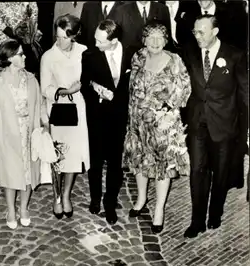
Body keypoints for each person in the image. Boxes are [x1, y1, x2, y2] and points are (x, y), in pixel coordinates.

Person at [181, 14, 247, 238]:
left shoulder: (235, 55)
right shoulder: (190, 51)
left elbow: (245, 93)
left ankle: (215, 213)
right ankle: (196, 220)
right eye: (195, 31)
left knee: (220, 173)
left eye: (202, 31)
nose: (197, 36)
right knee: (197, 170)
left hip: (225, 123)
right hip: (198, 121)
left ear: (215, 32)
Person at [123, 22, 191, 233]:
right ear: (144, 40)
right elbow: (131, 86)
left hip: (162, 126)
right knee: (139, 160)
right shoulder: (138, 57)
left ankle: (159, 209)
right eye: (150, 37)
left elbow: (184, 91)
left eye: (159, 38)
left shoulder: (174, 61)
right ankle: (141, 199)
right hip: (137, 123)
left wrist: (164, 110)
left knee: (162, 166)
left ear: (166, 40)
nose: (154, 42)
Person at [0, 40, 48, 229]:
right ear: (10, 58)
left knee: (29, 172)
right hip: (7, 134)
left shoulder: (31, 79)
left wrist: (46, 125)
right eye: (21, 54)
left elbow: (40, 105)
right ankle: (11, 210)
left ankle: (23, 208)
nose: (25, 56)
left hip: (29, 132)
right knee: (10, 173)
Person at [81, 19, 135, 224]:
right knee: (95, 162)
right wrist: (96, 90)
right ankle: (95, 198)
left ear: (114, 41)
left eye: (100, 41)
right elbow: (85, 83)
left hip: (121, 117)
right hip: (97, 116)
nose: (95, 44)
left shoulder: (132, 54)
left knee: (115, 163)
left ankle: (109, 203)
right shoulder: (89, 55)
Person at [40, 14, 90, 220]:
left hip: (79, 108)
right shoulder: (48, 57)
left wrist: (82, 87)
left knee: (73, 156)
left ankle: (67, 195)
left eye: (64, 37)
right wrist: (66, 90)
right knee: (58, 155)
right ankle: (56, 197)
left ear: (74, 36)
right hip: (59, 109)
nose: (60, 41)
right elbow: (45, 88)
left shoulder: (83, 52)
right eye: (58, 36)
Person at [0, 2, 42, 77]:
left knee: (26, 71)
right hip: (5, 39)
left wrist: (26, 31)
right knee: (6, 72)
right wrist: (14, 34)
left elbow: (34, 14)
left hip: (25, 39)